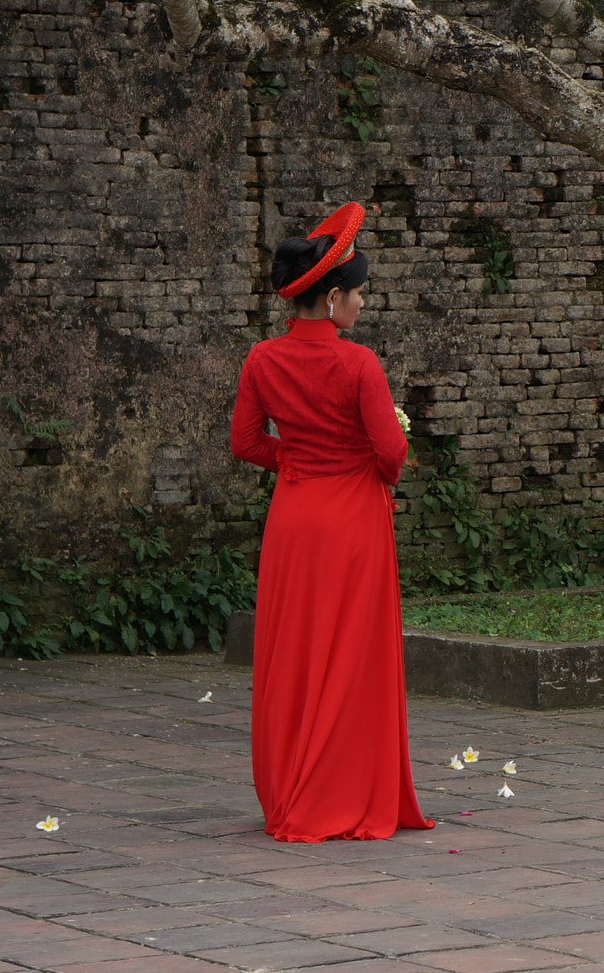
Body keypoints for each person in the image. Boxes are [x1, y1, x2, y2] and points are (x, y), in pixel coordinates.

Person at [230, 202, 435, 842]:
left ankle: (291, 788)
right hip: (351, 520)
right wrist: (367, 469)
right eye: (360, 295)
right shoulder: (358, 364)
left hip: (294, 517)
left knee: (295, 652)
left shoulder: (263, 359)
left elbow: (245, 443)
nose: (363, 307)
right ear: (335, 295)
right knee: (350, 655)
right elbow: (392, 452)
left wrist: (295, 457)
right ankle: (342, 787)